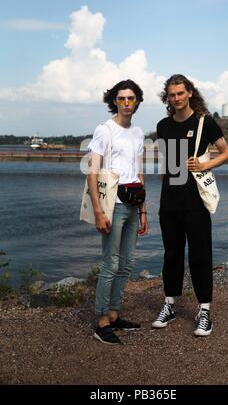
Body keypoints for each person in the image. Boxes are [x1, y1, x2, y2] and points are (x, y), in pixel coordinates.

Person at [152, 74, 228, 336]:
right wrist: (161, 199)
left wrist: (204, 164)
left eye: (180, 93)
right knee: (171, 255)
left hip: (195, 201)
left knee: (200, 256)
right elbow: (167, 165)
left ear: (189, 93)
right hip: (170, 202)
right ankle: (169, 304)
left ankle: (205, 310)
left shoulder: (204, 122)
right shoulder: (163, 125)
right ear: (168, 97)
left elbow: (226, 153)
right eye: (171, 94)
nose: (176, 98)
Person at [87, 79, 148, 345]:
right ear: (114, 101)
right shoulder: (104, 130)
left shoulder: (138, 132)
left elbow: (139, 171)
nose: (126, 103)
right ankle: (101, 321)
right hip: (113, 204)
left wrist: (144, 211)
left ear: (137, 102)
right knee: (110, 263)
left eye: (131, 98)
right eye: (121, 98)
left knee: (127, 264)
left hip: (134, 204)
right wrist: (99, 212)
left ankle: (113, 313)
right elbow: (92, 172)